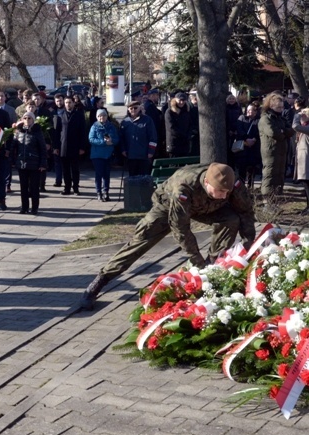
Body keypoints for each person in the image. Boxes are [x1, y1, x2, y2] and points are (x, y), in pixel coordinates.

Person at [79, 163, 256, 310]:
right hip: (168, 206)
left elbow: (245, 211)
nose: (225, 196)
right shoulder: (184, 187)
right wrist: (197, 261)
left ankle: (214, 270)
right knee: (142, 240)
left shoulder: (232, 184)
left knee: (231, 219)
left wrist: (249, 243)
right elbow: (181, 229)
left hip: (205, 207)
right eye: (220, 192)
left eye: (227, 192)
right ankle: (99, 282)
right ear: (207, 183)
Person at [8, 111, 48, 214]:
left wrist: (43, 164)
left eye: (29, 118)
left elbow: (43, 149)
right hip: (22, 163)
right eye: (25, 118)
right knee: (23, 187)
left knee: (34, 187)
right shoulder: (18, 132)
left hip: (34, 163)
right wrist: (12, 160)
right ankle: (24, 207)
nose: (27, 120)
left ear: (33, 120)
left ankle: (34, 208)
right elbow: (13, 147)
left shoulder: (38, 132)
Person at [259, 93, 294, 199]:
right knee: (269, 175)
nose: (281, 109)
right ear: (271, 106)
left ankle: (277, 198)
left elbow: (291, 131)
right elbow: (273, 133)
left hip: (282, 151)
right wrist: (283, 132)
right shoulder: (265, 119)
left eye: (282, 107)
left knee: (280, 175)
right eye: (278, 107)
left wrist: (283, 131)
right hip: (270, 151)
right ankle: (267, 201)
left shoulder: (281, 119)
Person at [54, 96, 86, 195]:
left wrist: (82, 147)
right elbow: (56, 132)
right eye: (66, 102)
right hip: (63, 146)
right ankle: (67, 188)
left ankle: (75, 187)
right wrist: (56, 147)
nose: (68, 104)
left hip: (75, 146)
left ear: (73, 103)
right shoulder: (59, 116)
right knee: (65, 169)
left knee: (75, 169)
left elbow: (83, 132)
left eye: (70, 102)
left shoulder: (79, 115)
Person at [119, 101, 157, 177]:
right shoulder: (125, 122)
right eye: (131, 108)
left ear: (139, 108)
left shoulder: (147, 120)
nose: (133, 110)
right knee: (132, 179)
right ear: (128, 109)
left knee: (144, 179)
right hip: (131, 156)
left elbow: (153, 137)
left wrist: (151, 151)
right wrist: (123, 150)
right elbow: (121, 138)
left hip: (144, 155)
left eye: (135, 108)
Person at [89, 109, 119, 201]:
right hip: (97, 154)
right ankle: (99, 192)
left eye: (103, 116)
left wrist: (112, 141)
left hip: (108, 154)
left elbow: (117, 138)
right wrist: (103, 142)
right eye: (99, 116)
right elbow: (91, 139)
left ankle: (106, 192)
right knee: (99, 174)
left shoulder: (111, 127)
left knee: (106, 174)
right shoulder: (94, 127)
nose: (102, 117)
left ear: (106, 116)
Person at [234, 103, 261, 189]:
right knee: (242, 168)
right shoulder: (241, 118)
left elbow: (259, 131)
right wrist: (246, 139)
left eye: (252, 110)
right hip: (243, 147)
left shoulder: (258, 120)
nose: (250, 112)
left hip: (254, 147)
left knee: (252, 168)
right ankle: (241, 186)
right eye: (248, 110)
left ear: (255, 111)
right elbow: (239, 129)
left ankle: (250, 186)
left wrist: (254, 139)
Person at [164, 92, 191, 157]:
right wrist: (182, 135)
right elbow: (171, 128)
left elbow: (190, 124)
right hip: (174, 143)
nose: (181, 102)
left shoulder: (186, 111)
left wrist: (188, 135)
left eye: (183, 100)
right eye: (180, 100)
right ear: (175, 100)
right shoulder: (169, 112)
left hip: (184, 143)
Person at [293, 108, 309, 214]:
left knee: (307, 184)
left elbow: (295, 126)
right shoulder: (304, 127)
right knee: (306, 184)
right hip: (303, 159)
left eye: (304, 115)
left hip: (307, 159)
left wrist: (297, 116)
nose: (301, 116)